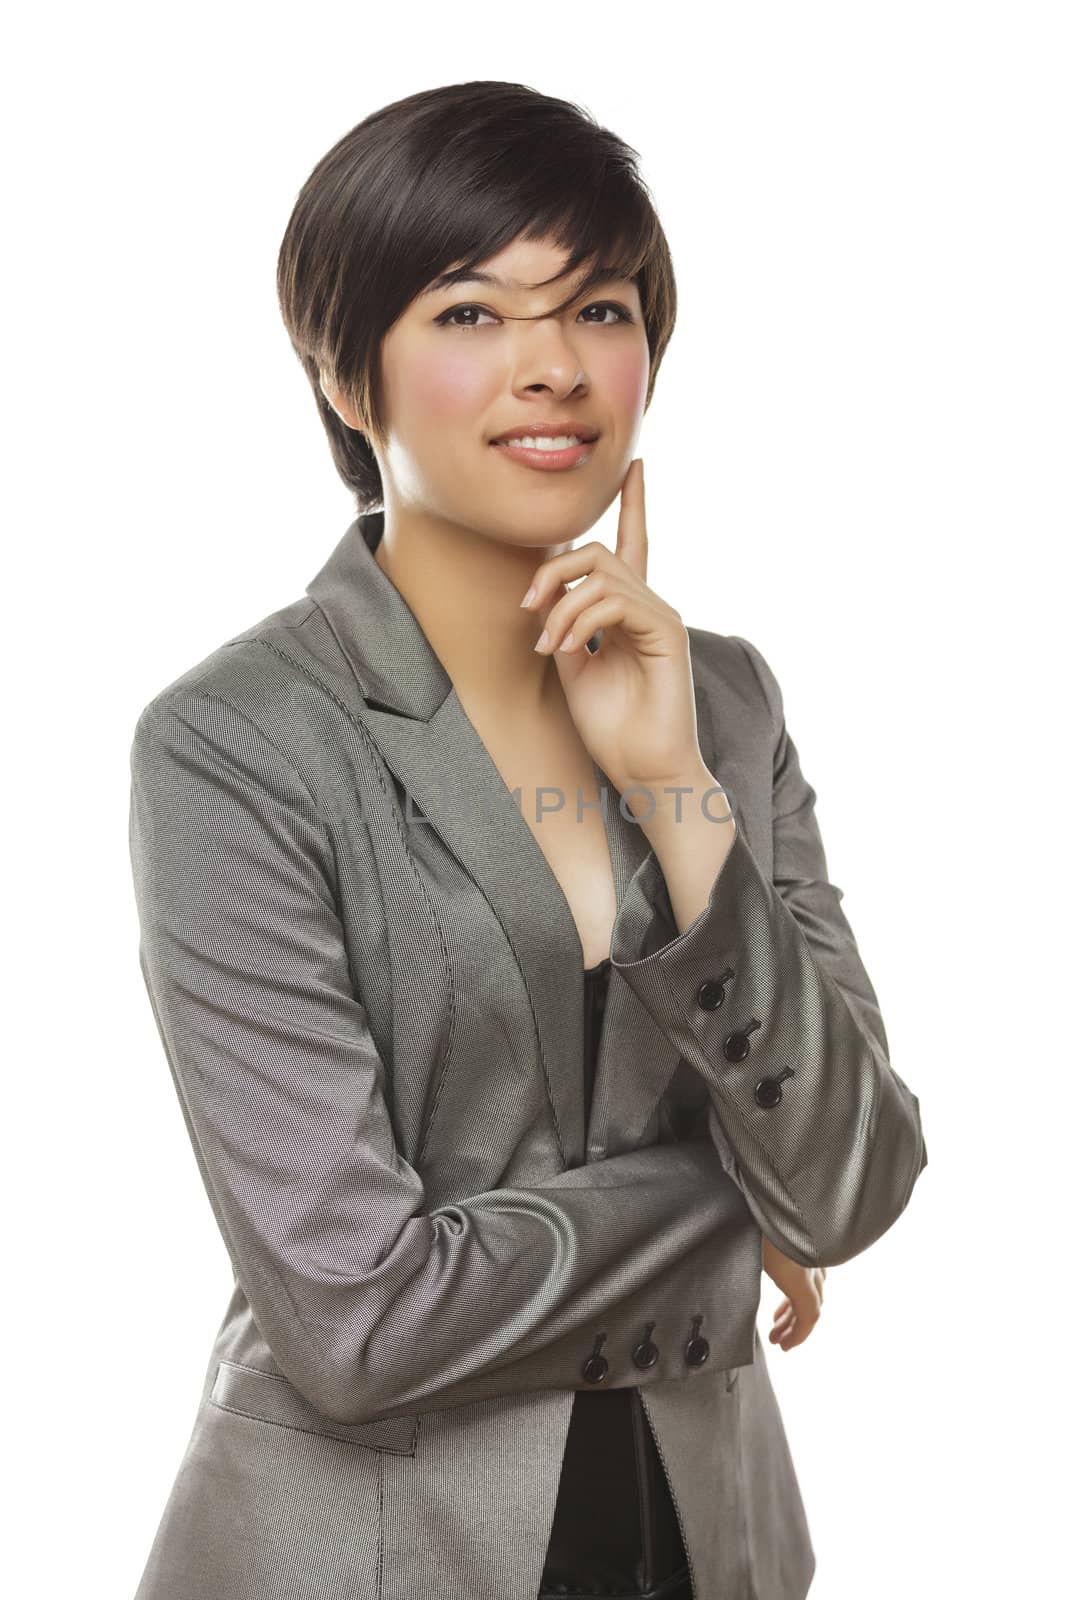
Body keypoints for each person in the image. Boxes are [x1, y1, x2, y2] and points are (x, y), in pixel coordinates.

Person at [128, 81, 927, 1600]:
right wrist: (717, 1212)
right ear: (343, 368)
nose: (553, 368)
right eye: (471, 313)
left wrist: (674, 783)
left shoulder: (725, 705)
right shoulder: (235, 744)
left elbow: (850, 1181)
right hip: (361, 1555)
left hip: (707, 1534)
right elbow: (355, 1324)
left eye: (601, 310)